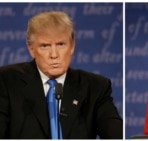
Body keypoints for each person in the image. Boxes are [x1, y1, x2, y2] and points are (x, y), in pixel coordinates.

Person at [0, 11, 123, 139]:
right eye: (45, 46)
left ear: (72, 46)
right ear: (31, 49)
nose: (54, 55)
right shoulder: (6, 81)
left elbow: (116, 134)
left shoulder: (95, 87)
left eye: (60, 44)